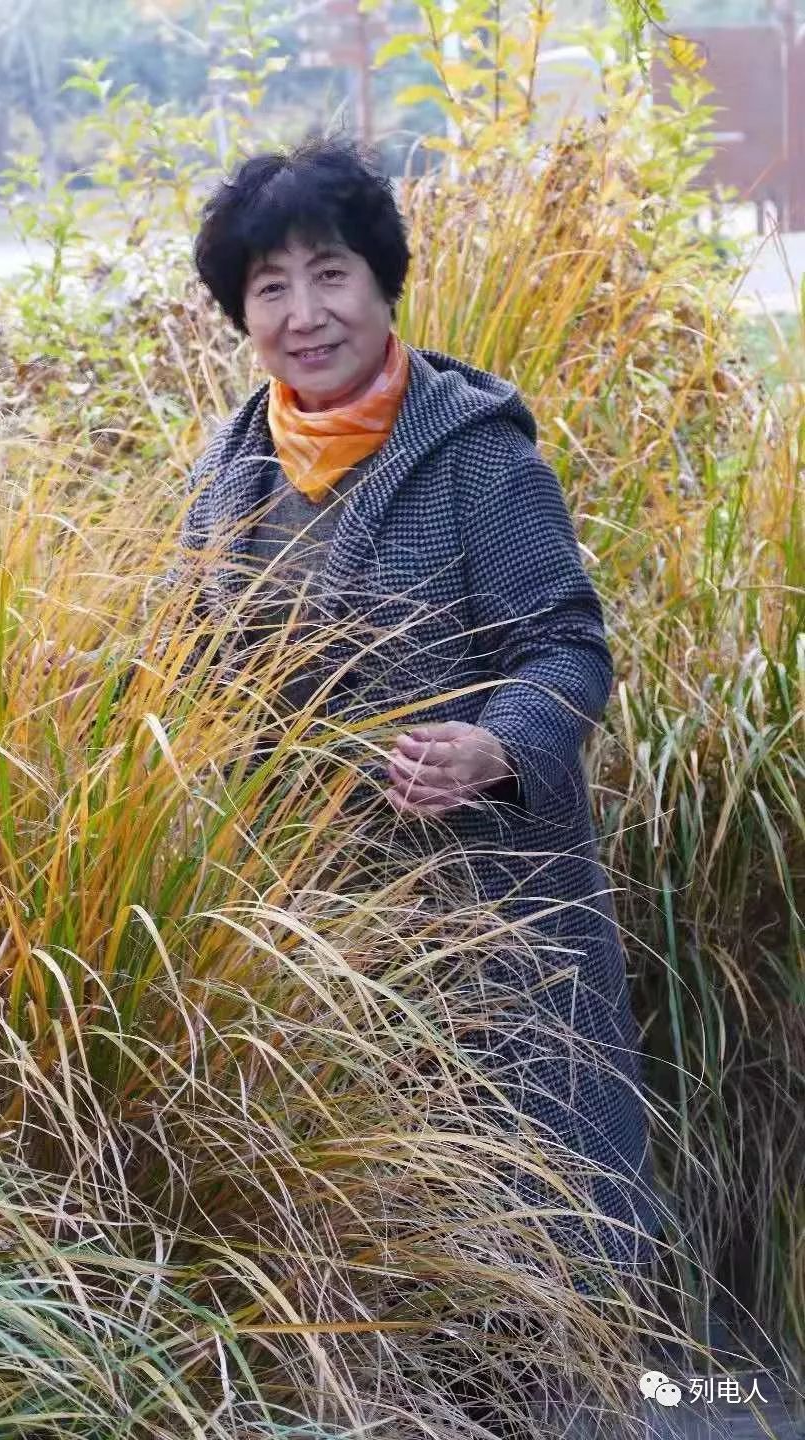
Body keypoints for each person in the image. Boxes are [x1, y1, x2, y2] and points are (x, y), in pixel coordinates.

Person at [168, 133, 669, 1307]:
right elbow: (189, 662)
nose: (305, 312)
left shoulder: (473, 455)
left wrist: (498, 746)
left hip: (491, 913)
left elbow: (567, 645)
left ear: (385, 281)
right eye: (269, 286)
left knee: (542, 1238)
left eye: (330, 271)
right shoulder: (232, 464)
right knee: (372, 1248)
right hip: (314, 926)